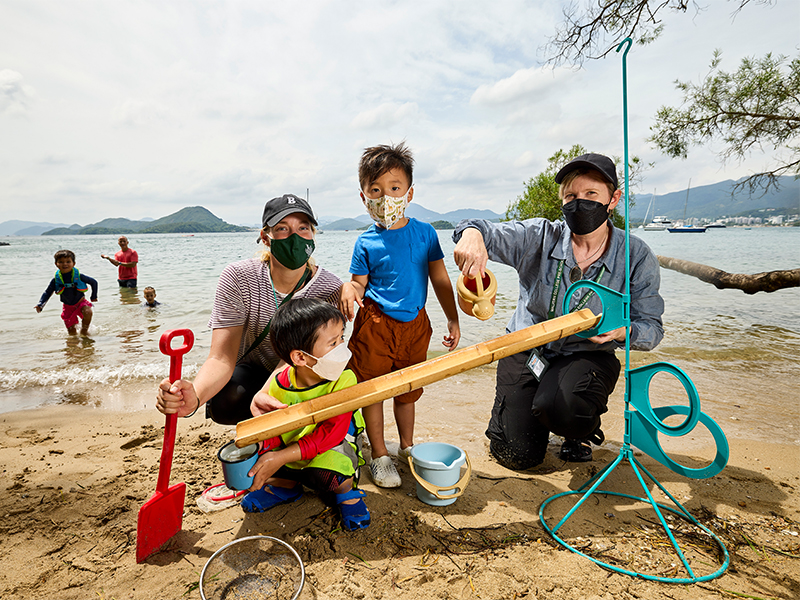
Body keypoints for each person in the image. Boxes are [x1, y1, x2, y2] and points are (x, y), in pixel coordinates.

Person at [452, 152, 664, 469]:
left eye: (591, 194)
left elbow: (652, 328)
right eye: (571, 196)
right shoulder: (539, 236)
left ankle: (579, 431)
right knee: (517, 457)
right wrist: (472, 236)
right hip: (526, 347)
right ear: (562, 201)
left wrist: (624, 332)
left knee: (564, 409)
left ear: (613, 198)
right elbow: (479, 229)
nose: (580, 203)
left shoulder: (636, 254)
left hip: (586, 354)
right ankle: (521, 415)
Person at [156, 194, 342, 426]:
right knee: (227, 401)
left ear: (313, 234)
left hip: (304, 372)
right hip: (253, 370)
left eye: (303, 228)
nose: (295, 237)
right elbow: (222, 357)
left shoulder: (330, 288)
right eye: (283, 228)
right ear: (265, 237)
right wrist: (195, 397)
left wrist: (268, 391)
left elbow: (300, 360)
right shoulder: (239, 277)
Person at [340, 142, 461, 488]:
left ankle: (407, 448)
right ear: (364, 198)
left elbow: (439, 278)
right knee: (374, 391)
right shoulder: (365, 242)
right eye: (375, 190)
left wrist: (453, 318)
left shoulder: (424, 233)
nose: (385, 197)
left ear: (409, 193)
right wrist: (350, 291)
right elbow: (359, 284)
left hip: (416, 325)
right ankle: (379, 455)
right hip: (375, 326)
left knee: (407, 391)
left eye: (394, 189)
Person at [241, 298, 369, 530]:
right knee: (258, 454)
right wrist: (264, 450)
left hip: (333, 448)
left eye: (342, 337)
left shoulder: (344, 381)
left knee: (328, 474)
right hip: (296, 448)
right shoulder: (280, 384)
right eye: (333, 343)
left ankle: (347, 493)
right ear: (300, 357)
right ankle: (286, 487)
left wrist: (279, 458)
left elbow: (332, 434)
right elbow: (276, 428)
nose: (342, 347)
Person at [35, 249, 98, 336]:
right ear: (56, 264)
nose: (65, 264)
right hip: (68, 307)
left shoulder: (79, 276)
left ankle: (84, 330)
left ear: (74, 264)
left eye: (68, 262)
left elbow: (94, 282)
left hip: (81, 303)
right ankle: (73, 346)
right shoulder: (56, 280)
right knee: (72, 334)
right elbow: (48, 292)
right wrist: (41, 304)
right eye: (61, 262)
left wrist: (93, 296)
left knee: (88, 311)